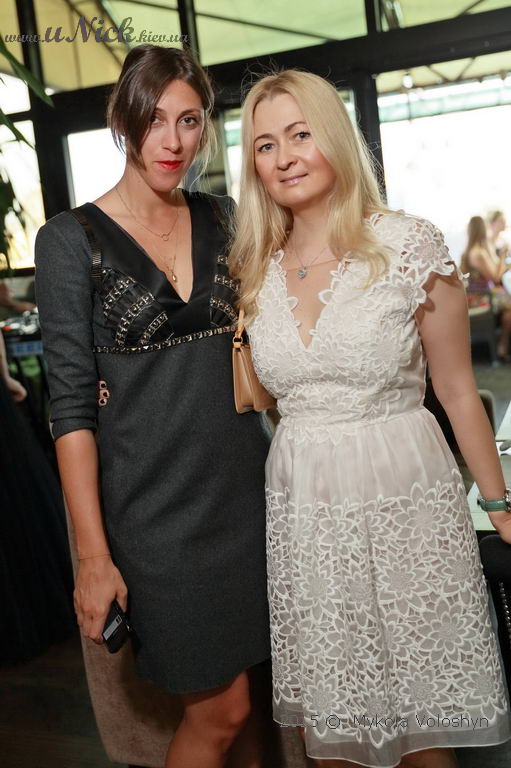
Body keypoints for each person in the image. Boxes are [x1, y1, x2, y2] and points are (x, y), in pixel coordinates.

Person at [229, 69, 511, 768]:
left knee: (422, 726)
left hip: (402, 501)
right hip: (306, 513)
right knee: (335, 731)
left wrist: (499, 503)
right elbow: (253, 393)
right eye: (265, 145)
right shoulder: (254, 268)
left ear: (334, 137)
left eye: (300, 134)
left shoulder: (407, 245)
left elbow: (456, 391)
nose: (285, 157)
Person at [34, 45, 271, 768]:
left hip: (250, 495)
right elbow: (70, 407)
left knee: (254, 710)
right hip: (155, 515)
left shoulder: (225, 216)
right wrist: (93, 558)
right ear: (122, 122)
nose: (172, 141)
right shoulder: (69, 240)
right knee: (222, 712)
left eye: (189, 120)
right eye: (153, 119)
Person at [461, 215, 511, 360]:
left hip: (479, 293)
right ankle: (502, 346)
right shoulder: (479, 253)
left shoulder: (470, 251)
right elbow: (495, 277)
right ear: (483, 230)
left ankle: (503, 345)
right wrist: (502, 256)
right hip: (482, 296)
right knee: (509, 309)